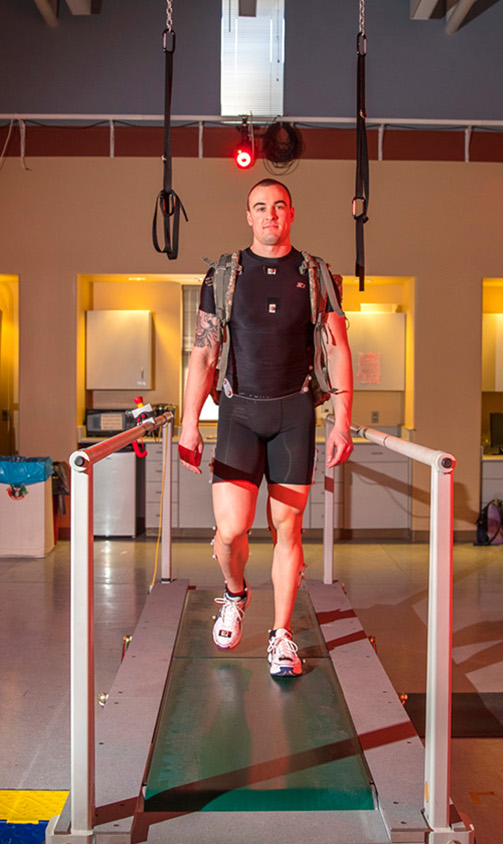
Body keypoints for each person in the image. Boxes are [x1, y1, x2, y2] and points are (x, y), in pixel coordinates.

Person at [178, 178, 354, 678]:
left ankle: (281, 636)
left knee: (288, 528)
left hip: (294, 415)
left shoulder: (316, 274)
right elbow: (204, 352)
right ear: (248, 216)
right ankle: (235, 593)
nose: (270, 214)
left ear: (291, 213)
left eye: (278, 206)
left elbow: (338, 348)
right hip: (237, 413)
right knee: (230, 531)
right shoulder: (224, 273)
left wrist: (341, 422)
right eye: (260, 207)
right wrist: (190, 422)